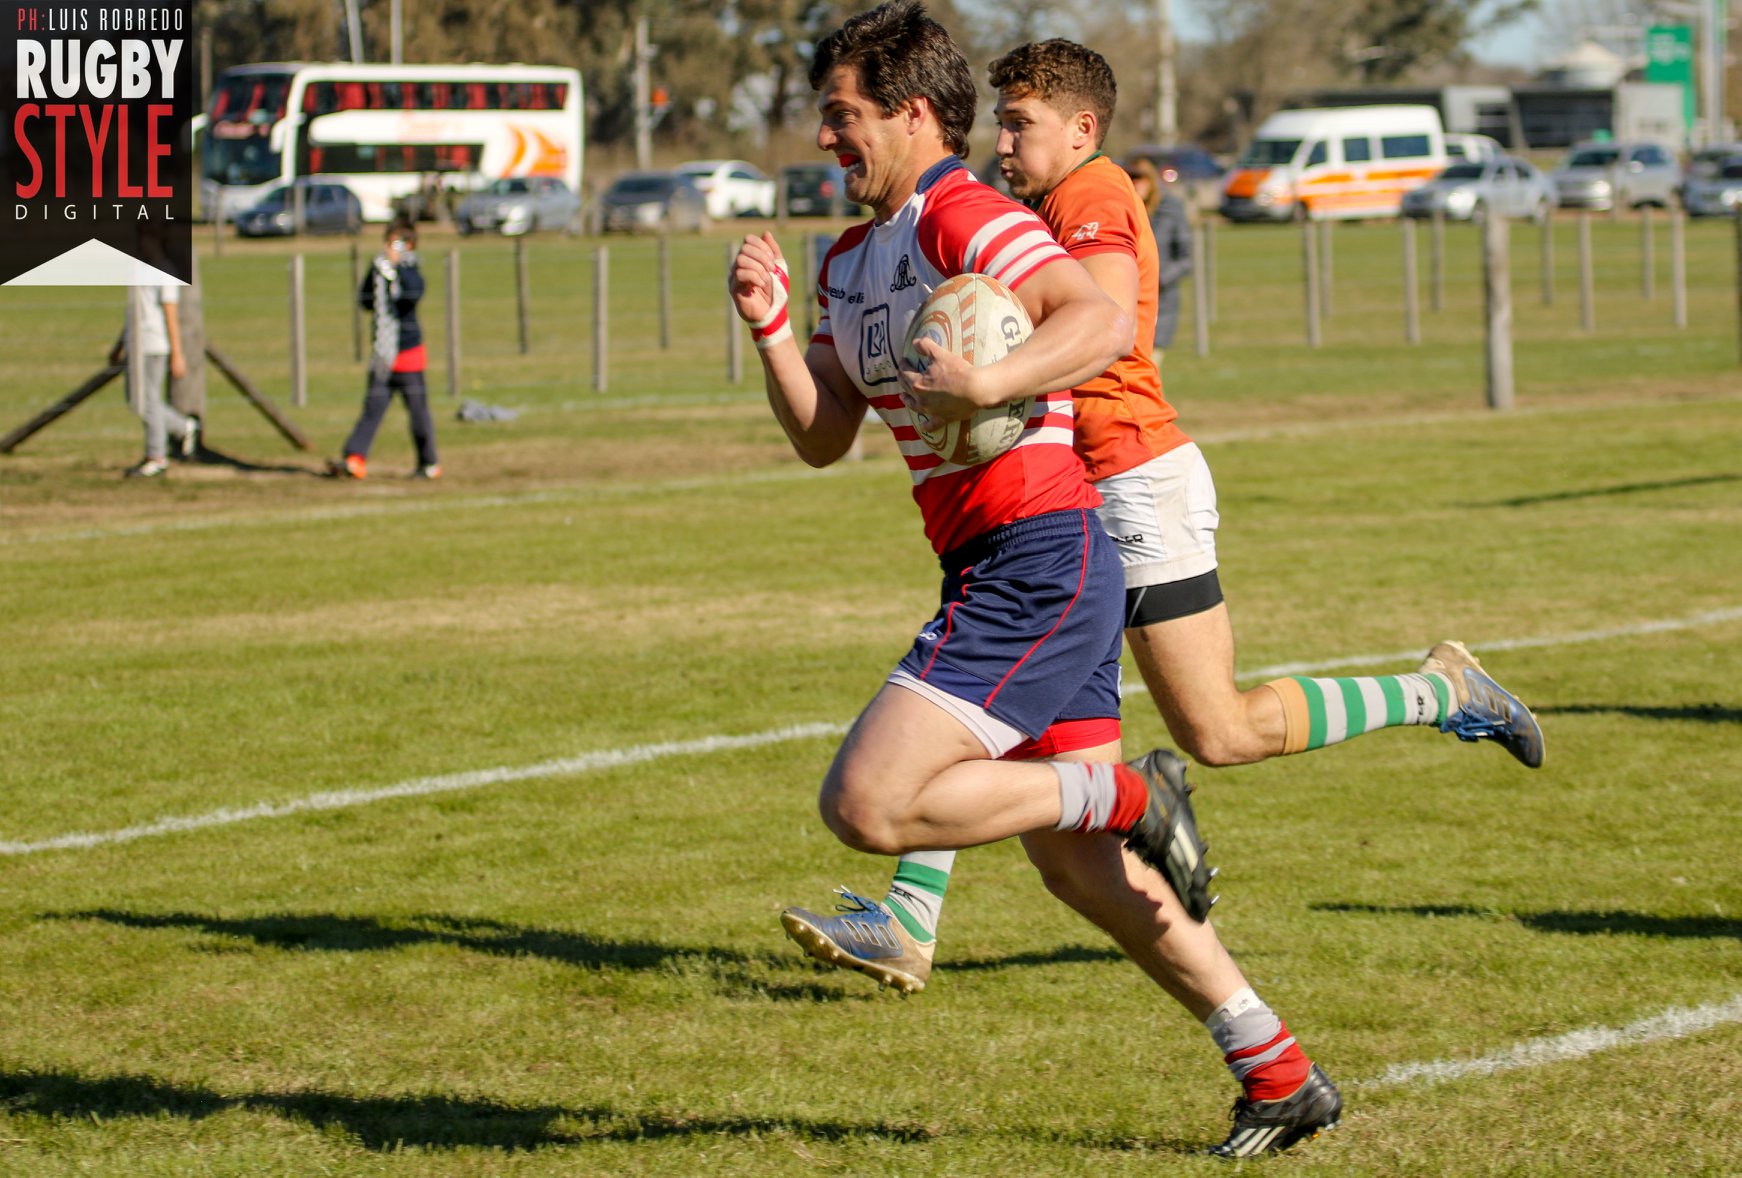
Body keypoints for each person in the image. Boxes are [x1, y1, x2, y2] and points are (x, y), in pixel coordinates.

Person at [738, 5, 1331, 1159]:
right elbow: (822, 434)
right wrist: (768, 334)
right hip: (990, 565)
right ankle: (1277, 1069)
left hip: (1042, 558)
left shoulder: (965, 215)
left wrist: (989, 380)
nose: (824, 137)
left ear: (911, 113)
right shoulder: (848, 261)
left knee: (866, 803)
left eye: (841, 114)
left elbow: (1097, 317)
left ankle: (1127, 794)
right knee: (1079, 874)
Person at [330, 220, 441, 480]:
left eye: (396, 243)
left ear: (409, 245)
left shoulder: (411, 270)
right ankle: (354, 458)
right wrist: (377, 273)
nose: (389, 248)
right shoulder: (380, 269)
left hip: (408, 354)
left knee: (418, 413)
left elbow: (410, 296)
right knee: (373, 407)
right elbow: (365, 301)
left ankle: (429, 463)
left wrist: (396, 268)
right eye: (388, 242)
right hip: (383, 354)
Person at [111, 226, 196, 478]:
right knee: (138, 400)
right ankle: (183, 426)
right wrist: (120, 345)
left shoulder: (166, 273)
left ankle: (156, 456)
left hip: (154, 345)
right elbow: (134, 313)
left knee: (147, 401)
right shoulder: (138, 271)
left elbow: (171, 315)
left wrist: (177, 354)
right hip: (136, 344)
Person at [1123, 157, 1192, 355]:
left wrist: (1156, 279)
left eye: (1141, 178)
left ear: (1152, 180)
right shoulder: (1120, 208)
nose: (1136, 183)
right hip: (1125, 299)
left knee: (1151, 360)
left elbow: (1185, 258)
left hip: (1160, 301)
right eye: (1131, 177)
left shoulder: (1170, 209)